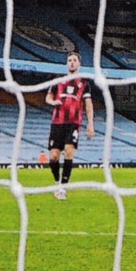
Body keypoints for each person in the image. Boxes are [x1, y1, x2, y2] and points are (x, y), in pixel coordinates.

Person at [45, 51, 94, 200]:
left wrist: (90, 124)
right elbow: (48, 96)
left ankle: (63, 188)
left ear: (79, 64)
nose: (72, 62)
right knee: (54, 156)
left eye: (74, 60)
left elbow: (88, 105)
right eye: (69, 60)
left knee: (69, 150)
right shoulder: (58, 81)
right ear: (67, 63)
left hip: (73, 123)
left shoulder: (84, 84)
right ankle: (57, 182)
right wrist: (53, 102)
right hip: (57, 123)